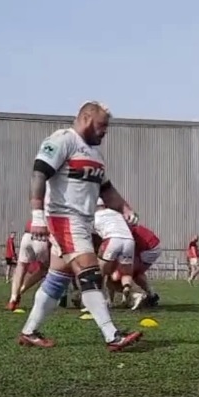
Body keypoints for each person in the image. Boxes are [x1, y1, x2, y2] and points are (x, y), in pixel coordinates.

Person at [17, 101, 142, 350]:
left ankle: (29, 332)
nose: (105, 131)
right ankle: (112, 335)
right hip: (65, 218)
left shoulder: (94, 153)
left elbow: (106, 189)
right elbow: (39, 173)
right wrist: (38, 216)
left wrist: (125, 208)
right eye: (101, 125)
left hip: (84, 222)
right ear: (86, 117)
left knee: (57, 279)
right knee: (91, 275)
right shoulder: (63, 139)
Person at [92, 204, 137, 311]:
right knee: (125, 273)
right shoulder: (117, 213)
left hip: (111, 239)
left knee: (100, 272)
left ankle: (101, 301)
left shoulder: (93, 215)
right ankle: (133, 292)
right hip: (129, 240)